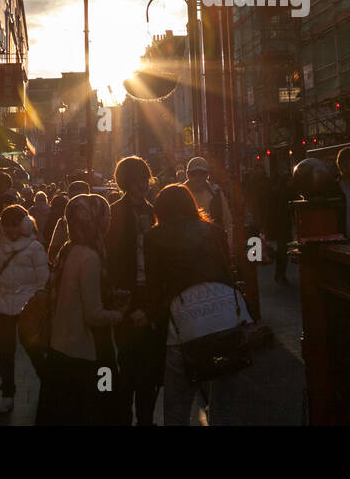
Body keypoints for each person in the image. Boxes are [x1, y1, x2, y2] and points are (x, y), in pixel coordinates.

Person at [145, 184, 241, 425]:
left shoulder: (154, 236)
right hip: (225, 318)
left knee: (178, 403)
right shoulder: (214, 231)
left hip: (184, 322)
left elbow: (155, 283)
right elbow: (227, 271)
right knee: (224, 401)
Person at [37, 193, 129, 425]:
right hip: (91, 356)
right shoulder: (90, 257)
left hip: (61, 349)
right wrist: (119, 314)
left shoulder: (67, 250)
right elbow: (93, 315)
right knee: (103, 402)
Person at [106, 156, 166, 426]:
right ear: (125, 183)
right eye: (135, 181)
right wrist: (128, 306)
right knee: (127, 364)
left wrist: (151, 307)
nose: (141, 185)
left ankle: (145, 418)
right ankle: (123, 416)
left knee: (150, 369)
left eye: (144, 179)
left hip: (149, 296)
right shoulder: (114, 213)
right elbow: (113, 262)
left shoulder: (154, 211)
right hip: (125, 297)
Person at [0, 204, 49, 416]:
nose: (12, 230)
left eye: (15, 225)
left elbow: (44, 280)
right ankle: (7, 394)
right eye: (7, 226)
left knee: (33, 348)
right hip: (3, 305)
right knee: (6, 351)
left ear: (24, 225)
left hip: (27, 305)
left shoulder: (34, 248)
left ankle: (48, 384)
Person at [185, 157, 234, 244]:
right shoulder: (180, 194)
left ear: (207, 175)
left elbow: (228, 222)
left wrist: (228, 246)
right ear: (188, 175)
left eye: (202, 174)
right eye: (194, 174)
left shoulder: (216, 194)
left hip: (212, 246)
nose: (198, 177)